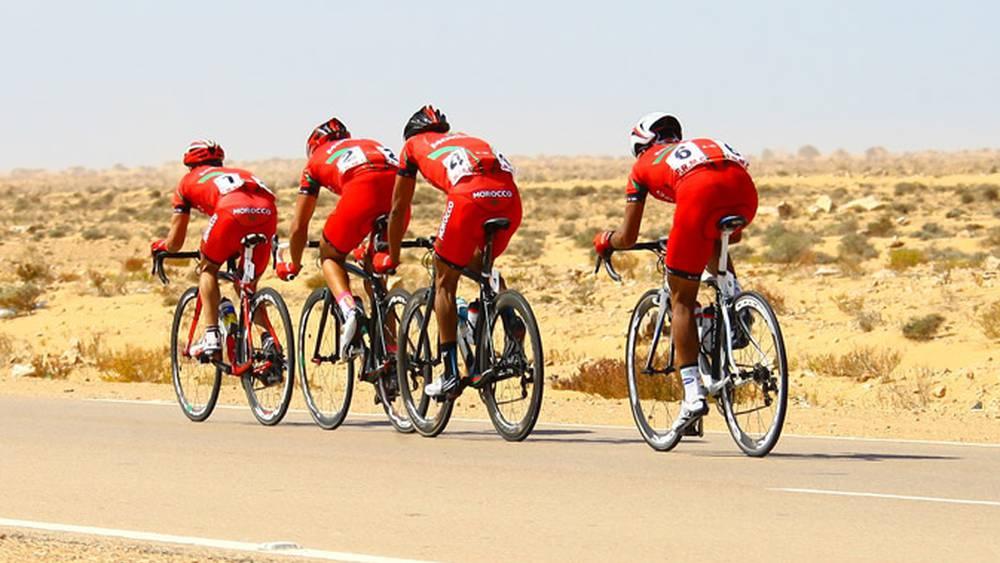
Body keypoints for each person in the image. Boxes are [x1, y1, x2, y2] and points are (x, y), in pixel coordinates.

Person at [593, 113, 758, 430]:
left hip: (699, 195)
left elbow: (628, 236)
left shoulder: (643, 165)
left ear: (641, 144)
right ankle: (734, 302)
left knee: (682, 300)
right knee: (714, 238)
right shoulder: (695, 145)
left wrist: (605, 241)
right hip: (743, 192)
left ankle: (693, 395)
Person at [374, 105, 522, 397]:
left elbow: (398, 207)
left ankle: (451, 372)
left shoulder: (412, 146)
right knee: (484, 266)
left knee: (445, 280)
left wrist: (393, 254)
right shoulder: (464, 138)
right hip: (509, 198)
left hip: (468, 201)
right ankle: (506, 325)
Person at [275, 117, 407, 358]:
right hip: (398, 194)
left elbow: (298, 226)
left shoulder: (316, 160)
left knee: (330, 254)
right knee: (375, 273)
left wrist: (293, 262)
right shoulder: (370, 143)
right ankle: (392, 352)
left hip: (361, 190)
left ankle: (349, 310)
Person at [151, 139, 278, 359]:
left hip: (230, 213)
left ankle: (211, 335)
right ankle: (268, 341)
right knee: (247, 286)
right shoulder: (239, 172)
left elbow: (175, 242)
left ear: (189, 164)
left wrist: (160, 246)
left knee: (208, 268)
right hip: (268, 212)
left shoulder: (187, 182)